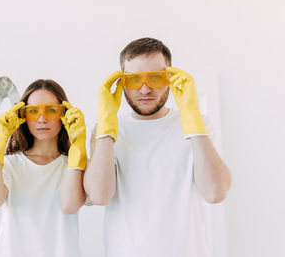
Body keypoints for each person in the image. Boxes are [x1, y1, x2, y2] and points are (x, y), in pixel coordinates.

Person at [84, 37, 232, 257]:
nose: (145, 89)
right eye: (134, 79)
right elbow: (98, 196)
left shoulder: (198, 124)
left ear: (170, 78)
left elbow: (215, 192)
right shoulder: (107, 131)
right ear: (122, 82)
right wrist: (107, 125)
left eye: (155, 78)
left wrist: (192, 120)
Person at [0, 79, 87, 257]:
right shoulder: (9, 164)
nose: (42, 118)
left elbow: (69, 205)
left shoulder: (77, 165)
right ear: (23, 116)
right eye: (33, 111)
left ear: (64, 114)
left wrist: (78, 146)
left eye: (51, 110)